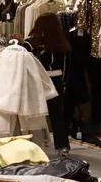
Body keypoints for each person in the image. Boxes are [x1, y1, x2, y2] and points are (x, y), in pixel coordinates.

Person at [22, 13, 71, 156]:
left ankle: (32, 145)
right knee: (57, 116)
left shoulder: (31, 43)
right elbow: (66, 67)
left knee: (33, 114)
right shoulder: (62, 43)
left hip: (37, 82)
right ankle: (63, 146)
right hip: (57, 82)